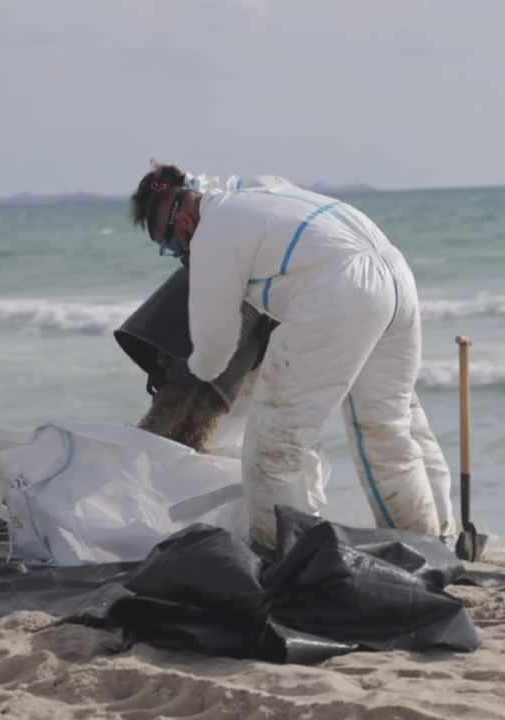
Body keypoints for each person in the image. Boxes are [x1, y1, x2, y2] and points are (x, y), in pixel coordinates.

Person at [128, 160, 457, 549]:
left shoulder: (210, 236)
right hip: (394, 273)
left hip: (339, 289)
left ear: (180, 223)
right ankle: (436, 546)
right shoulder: (256, 192)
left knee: (271, 448)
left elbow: (215, 349)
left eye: (168, 245)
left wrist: (192, 372)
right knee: (390, 426)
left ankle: (280, 558)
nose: (178, 250)